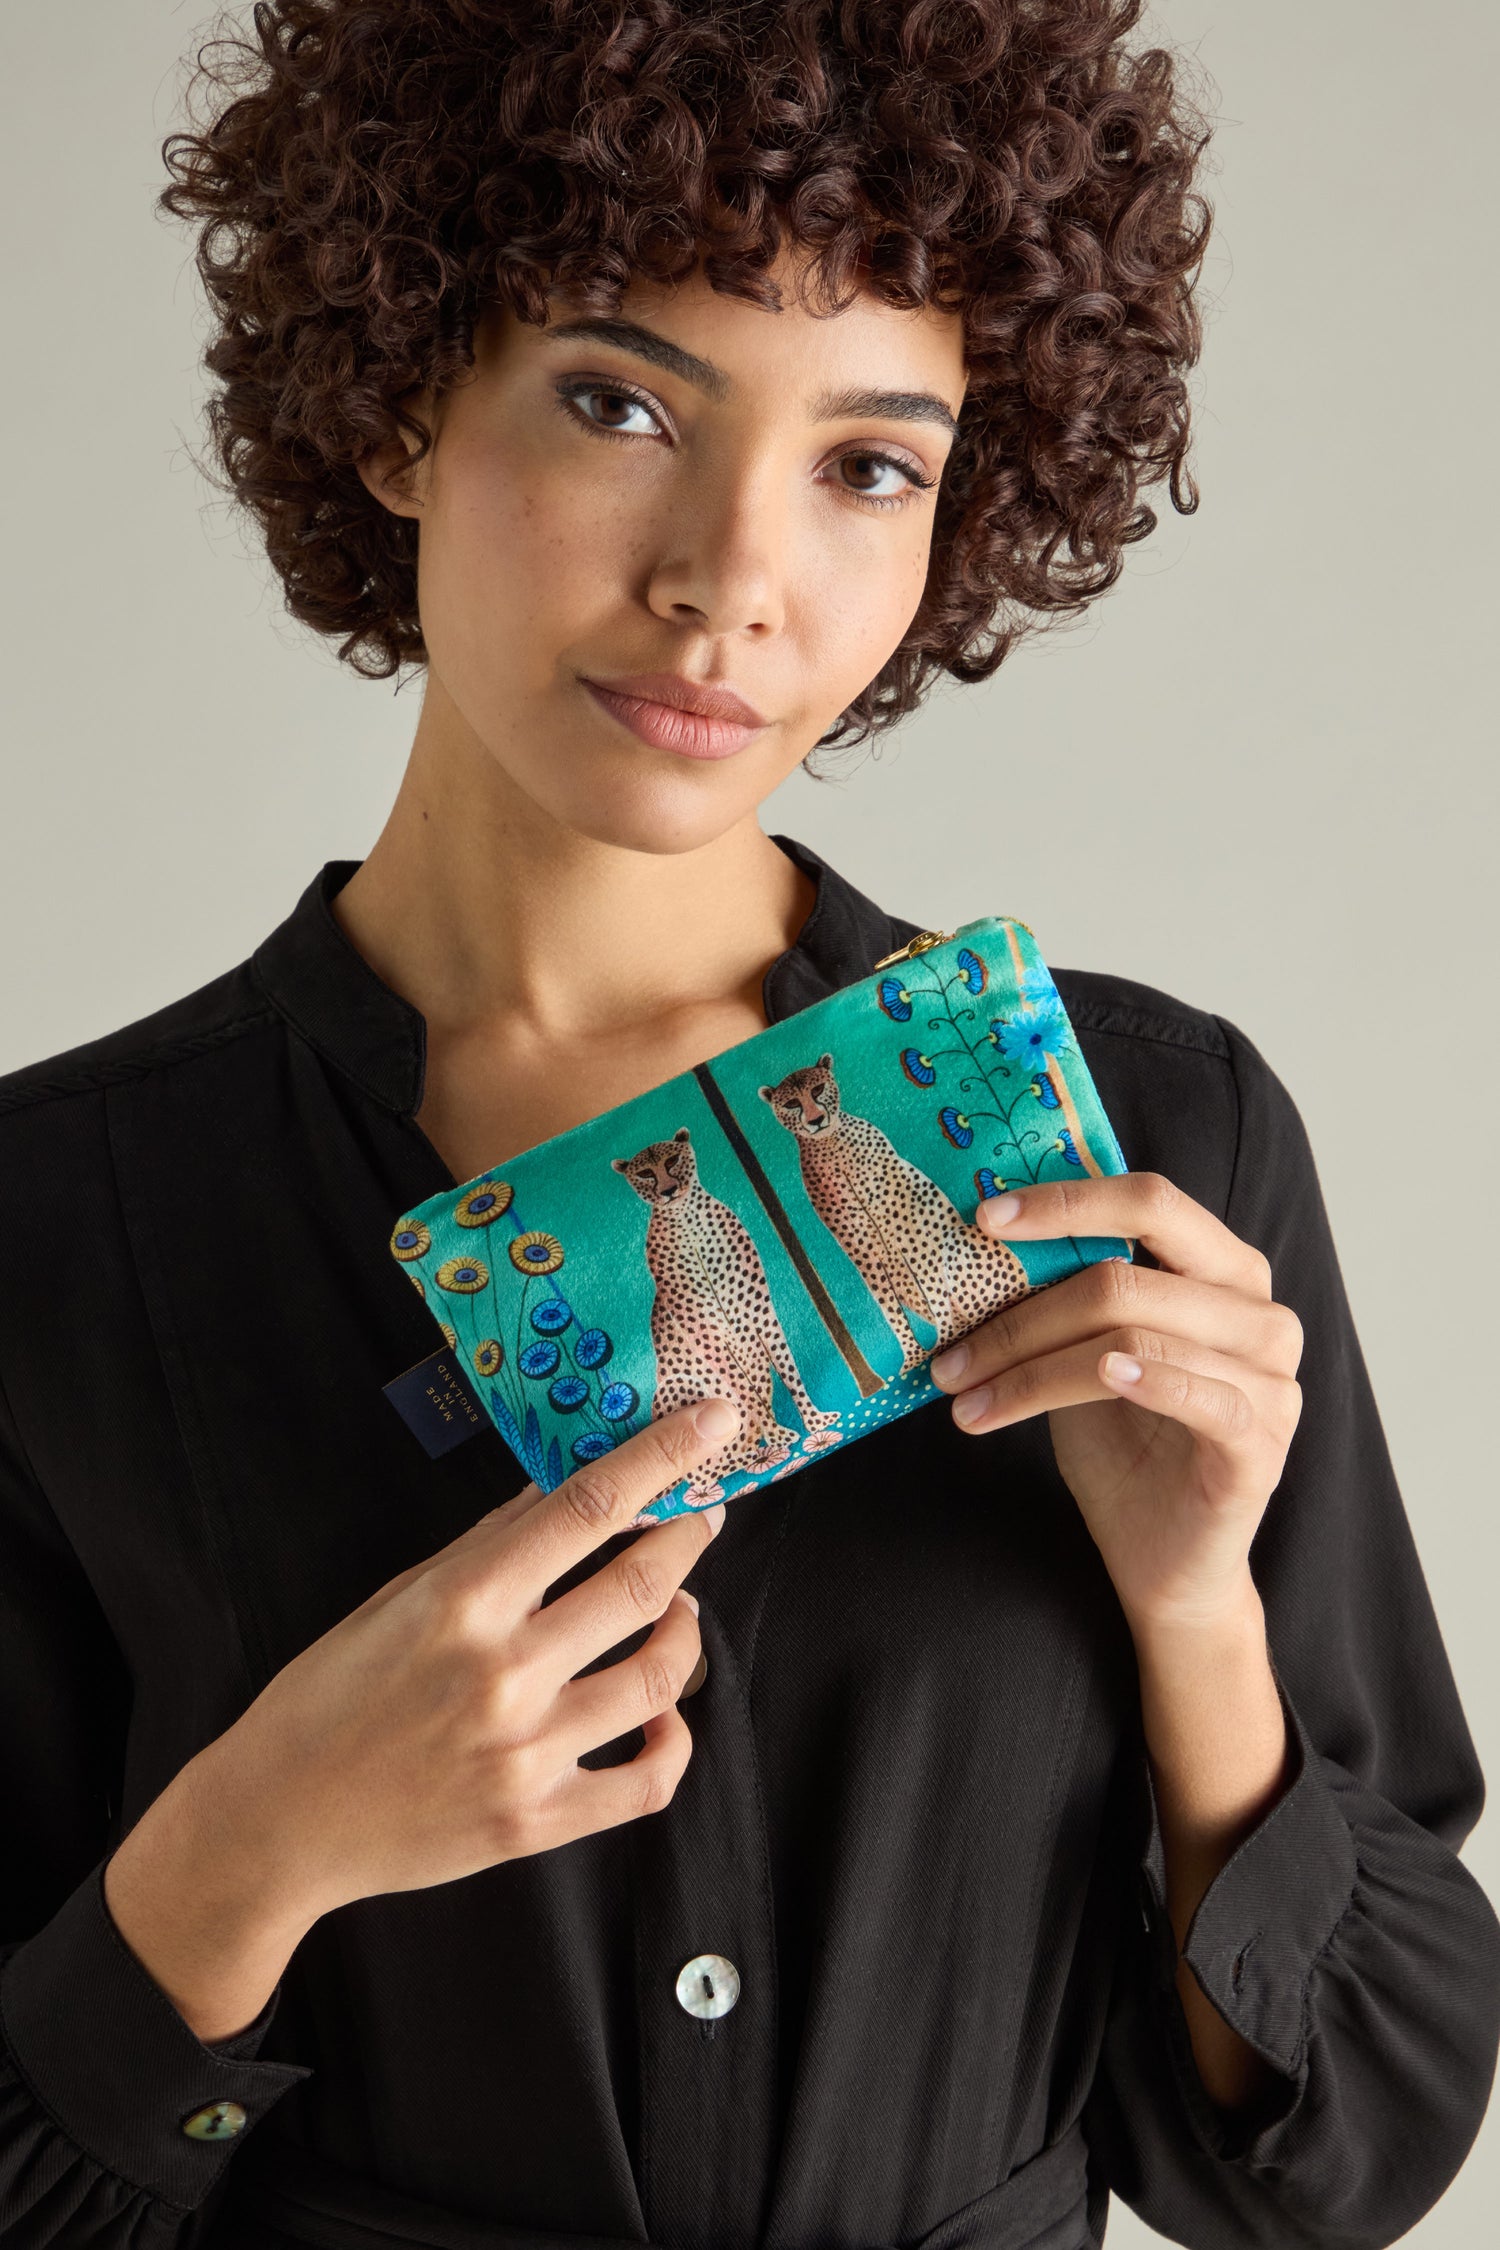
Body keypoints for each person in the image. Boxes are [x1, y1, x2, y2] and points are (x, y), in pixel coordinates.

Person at [1, 2, 1496, 2246]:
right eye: (617, 402)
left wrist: (1196, 1613)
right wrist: (261, 1842)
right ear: (401, 399)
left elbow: (1334, 2164)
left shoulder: (1146, 1141)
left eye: (869, 463)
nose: (732, 577)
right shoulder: (61, 1227)